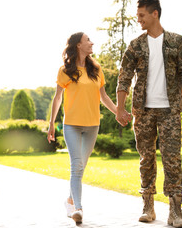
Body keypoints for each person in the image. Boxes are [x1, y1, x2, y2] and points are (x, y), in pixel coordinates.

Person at [116, 0, 182, 228]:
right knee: (146, 158)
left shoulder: (177, 42)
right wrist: (120, 108)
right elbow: (124, 77)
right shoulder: (135, 45)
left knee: (172, 159)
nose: (137, 19)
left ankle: (175, 212)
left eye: (141, 15)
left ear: (154, 14)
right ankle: (148, 207)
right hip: (144, 111)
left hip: (171, 110)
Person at [47, 32, 129, 223]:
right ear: (78, 45)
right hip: (71, 125)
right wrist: (52, 123)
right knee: (76, 166)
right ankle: (78, 208)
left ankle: (69, 200)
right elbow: (58, 98)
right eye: (88, 40)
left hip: (93, 125)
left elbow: (104, 97)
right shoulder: (65, 70)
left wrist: (119, 112)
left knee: (81, 167)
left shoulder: (96, 69)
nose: (91, 43)